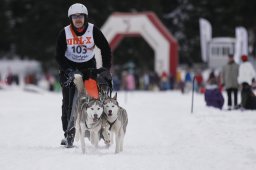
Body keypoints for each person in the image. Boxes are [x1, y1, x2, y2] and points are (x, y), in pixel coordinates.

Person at [55, 3, 112, 148]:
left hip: (88, 68)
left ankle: (99, 131)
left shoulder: (93, 30)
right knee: (68, 101)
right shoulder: (65, 32)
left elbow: (105, 48)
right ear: (71, 19)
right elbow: (58, 56)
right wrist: (66, 70)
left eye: (80, 16)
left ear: (85, 17)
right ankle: (68, 134)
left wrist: (105, 69)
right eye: (75, 17)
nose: (78, 19)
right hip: (70, 67)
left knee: (94, 97)